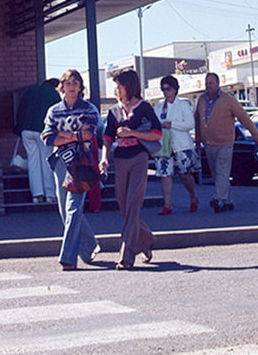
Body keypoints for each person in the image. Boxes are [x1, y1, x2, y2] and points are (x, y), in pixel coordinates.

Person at [41, 70, 100, 271]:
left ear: (80, 86)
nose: (72, 86)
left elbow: (88, 133)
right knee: (64, 210)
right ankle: (90, 245)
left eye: (76, 83)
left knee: (74, 208)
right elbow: (48, 137)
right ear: (62, 86)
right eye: (68, 83)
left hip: (81, 161)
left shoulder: (88, 108)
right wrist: (74, 135)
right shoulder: (53, 110)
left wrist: (66, 135)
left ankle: (68, 257)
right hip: (60, 162)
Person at [102, 69, 161, 270]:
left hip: (139, 158)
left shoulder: (144, 108)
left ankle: (126, 257)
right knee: (124, 207)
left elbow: (157, 134)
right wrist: (104, 159)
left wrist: (132, 133)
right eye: (115, 86)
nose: (116, 89)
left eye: (119, 85)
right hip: (120, 160)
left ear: (130, 86)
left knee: (133, 205)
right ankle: (147, 239)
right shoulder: (113, 111)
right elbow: (107, 138)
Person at [195, 72, 258, 213]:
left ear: (218, 84)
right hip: (208, 143)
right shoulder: (201, 100)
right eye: (207, 83)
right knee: (217, 174)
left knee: (222, 171)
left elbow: (244, 117)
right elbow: (197, 120)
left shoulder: (228, 100)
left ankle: (217, 198)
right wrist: (198, 139)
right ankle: (227, 200)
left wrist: (255, 134)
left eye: (211, 83)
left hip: (225, 142)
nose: (209, 85)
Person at [153, 75, 199, 215]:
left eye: (168, 89)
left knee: (184, 174)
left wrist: (172, 124)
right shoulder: (159, 107)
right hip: (164, 146)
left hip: (181, 145)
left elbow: (190, 124)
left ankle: (193, 196)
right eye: (163, 89)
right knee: (165, 174)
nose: (165, 92)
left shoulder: (183, 105)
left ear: (175, 90)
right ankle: (167, 205)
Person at [14, 77, 59, 203]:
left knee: (33, 162)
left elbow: (20, 111)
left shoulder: (30, 91)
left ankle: (37, 195)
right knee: (47, 161)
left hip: (26, 130)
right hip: (43, 131)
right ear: (55, 86)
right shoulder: (53, 94)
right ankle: (50, 194)